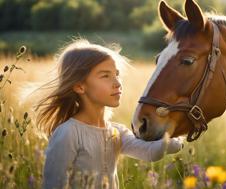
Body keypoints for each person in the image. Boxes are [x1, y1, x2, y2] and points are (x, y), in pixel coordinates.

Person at [35, 39, 184, 189]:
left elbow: (149, 152)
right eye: (105, 76)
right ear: (80, 86)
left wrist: (174, 139)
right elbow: (53, 184)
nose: (117, 83)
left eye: (117, 75)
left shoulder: (115, 132)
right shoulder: (68, 133)